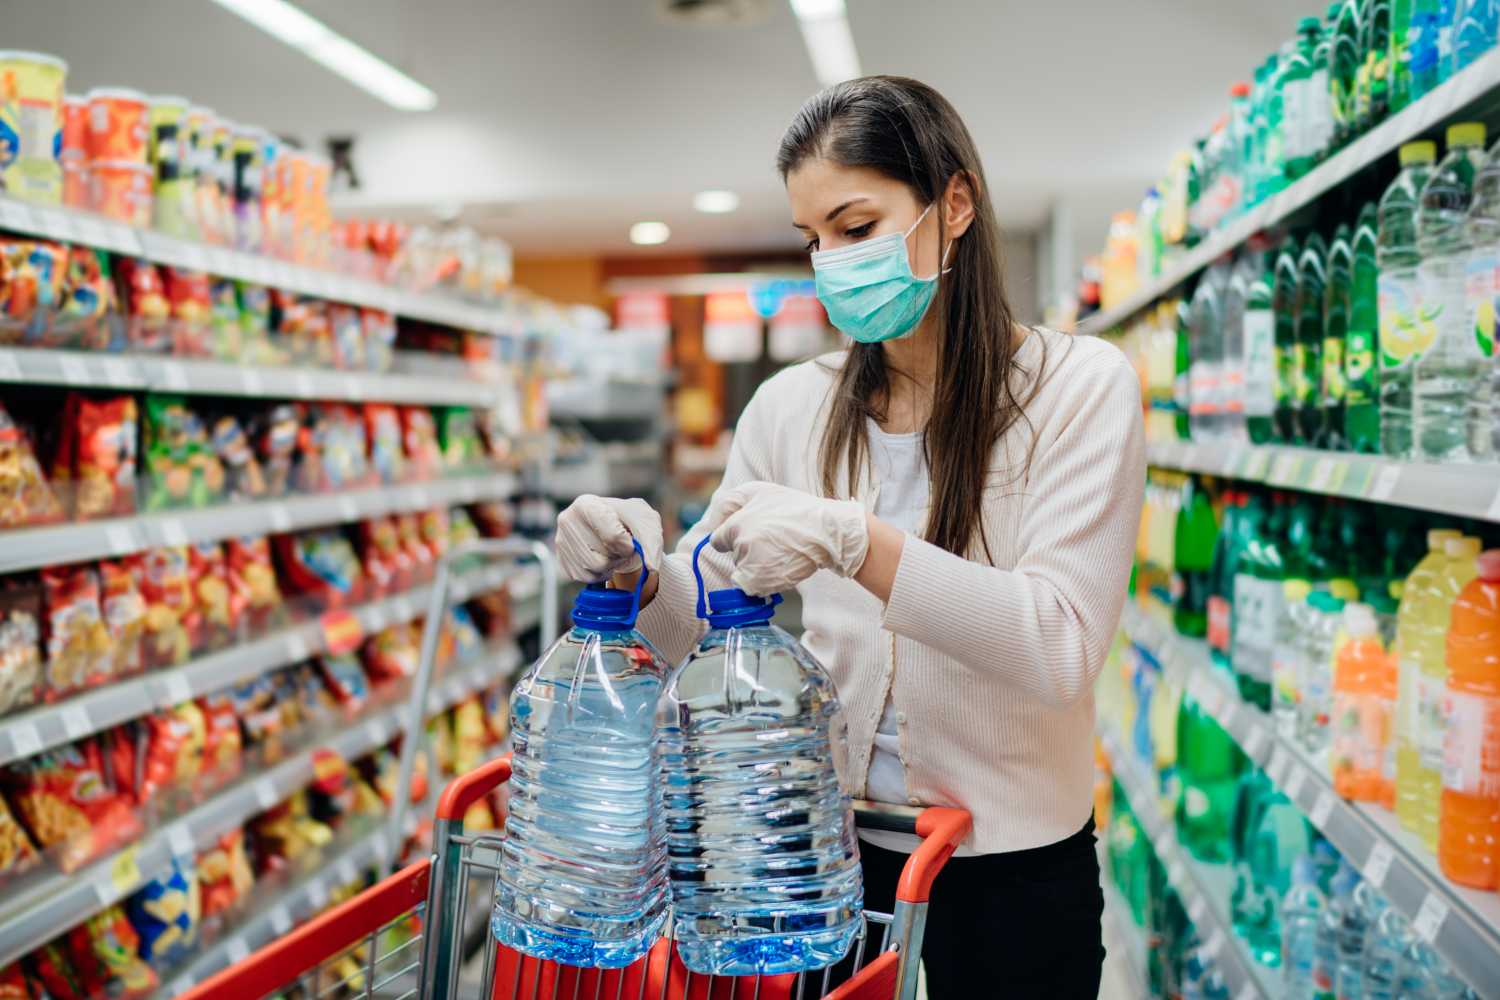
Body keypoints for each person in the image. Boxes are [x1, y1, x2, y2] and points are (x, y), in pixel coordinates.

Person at [555, 75, 1144, 997]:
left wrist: (851, 540)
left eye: (857, 227)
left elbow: (1059, 643)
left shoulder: (1079, 389)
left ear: (953, 205)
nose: (831, 262)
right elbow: (688, 627)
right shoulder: (793, 407)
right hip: (817, 869)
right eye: (813, 239)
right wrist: (632, 573)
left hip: (1014, 878)